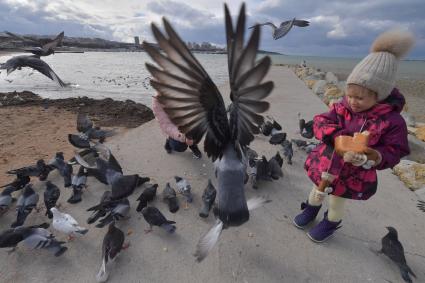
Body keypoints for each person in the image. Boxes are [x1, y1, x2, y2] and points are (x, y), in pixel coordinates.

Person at [293, 29, 415, 242]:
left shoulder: (393, 121)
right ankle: (310, 209)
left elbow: (396, 150)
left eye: (359, 98)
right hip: (327, 163)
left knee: (337, 201)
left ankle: (330, 223)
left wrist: (371, 156)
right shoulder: (342, 107)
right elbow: (321, 121)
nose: (352, 102)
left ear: (380, 95)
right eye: (349, 95)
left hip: (353, 174)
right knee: (317, 190)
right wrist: (336, 136)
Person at [152, 94, 202, 159]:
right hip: (173, 127)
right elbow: (166, 124)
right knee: (180, 146)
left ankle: (193, 146)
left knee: (198, 130)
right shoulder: (158, 100)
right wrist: (181, 136)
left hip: (186, 122)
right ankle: (169, 141)